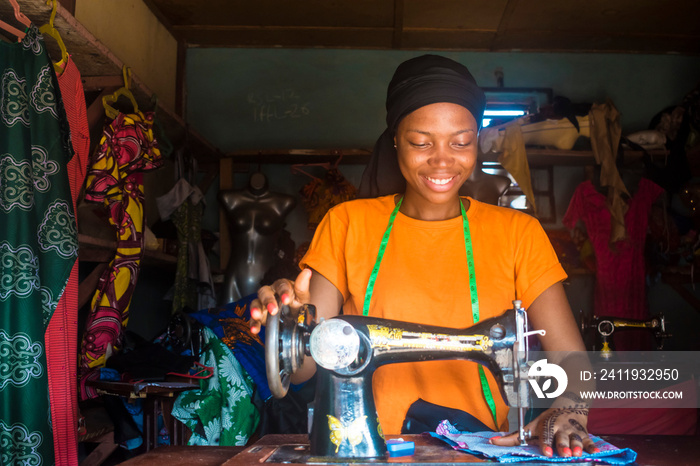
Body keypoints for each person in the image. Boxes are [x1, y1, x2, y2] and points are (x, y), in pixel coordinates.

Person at [250, 55, 595, 458]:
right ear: (395, 138)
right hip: (369, 450)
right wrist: (286, 321)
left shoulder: (519, 234)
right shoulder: (347, 224)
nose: (443, 159)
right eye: (421, 142)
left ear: (476, 140)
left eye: (461, 142)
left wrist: (570, 410)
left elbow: (572, 364)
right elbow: (310, 362)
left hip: (481, 450)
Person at [218, 171, 296, 305]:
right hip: (235, 274)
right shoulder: (229, 198)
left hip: (266, 277)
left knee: (265, 322)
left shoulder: (284, 202)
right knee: (226, 321)